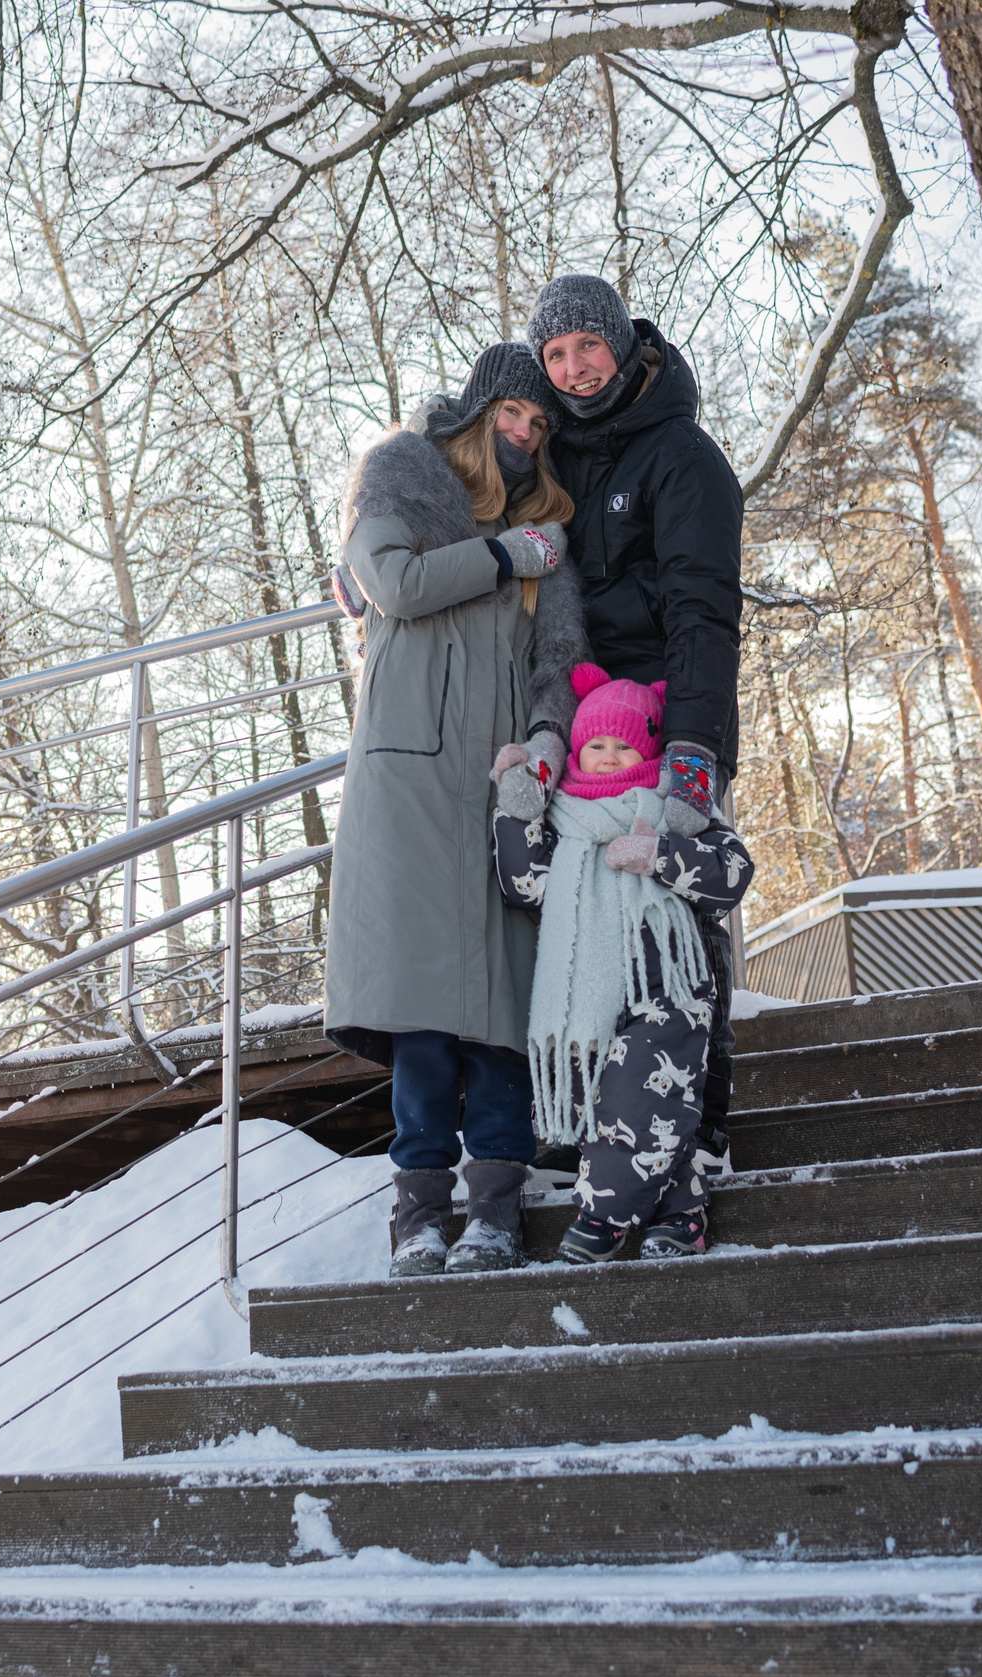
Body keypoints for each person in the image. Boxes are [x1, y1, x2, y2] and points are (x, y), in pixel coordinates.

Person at [324, 342, 591, 1277]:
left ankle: (493, 1208)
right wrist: (499, 554)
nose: (524, 435)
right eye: (511, 415)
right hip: (406, 787)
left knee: (500, 1008)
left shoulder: (546, 534)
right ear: (477, 415)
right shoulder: (398, 477)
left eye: (538, 424)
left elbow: (558, 664)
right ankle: (419, 1211)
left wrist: (550, 742)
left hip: (500, 790)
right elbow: (392, 585)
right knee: (425, 1013)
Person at [517, 273, 747, 1176]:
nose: (574, 370)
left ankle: (701, 1128)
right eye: (556, 356)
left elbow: (703, 608)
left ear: (621, 343)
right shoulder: (553, 454)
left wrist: (693, 752)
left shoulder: (682, 456)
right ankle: (600, 1122)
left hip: (669, 717)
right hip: (584, 726)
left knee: (679, 906)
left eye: (588, 347)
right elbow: (457, 468)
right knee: (582, 903)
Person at [492, 666, 755, 1261]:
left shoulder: (678, 808)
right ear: (579, 750)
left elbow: (734, 875)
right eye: (597, 744)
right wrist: (514, 806)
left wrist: (660, 855)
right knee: (630, 1103)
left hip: (670, 990)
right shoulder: (562, 821)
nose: (609, 757)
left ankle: (603, 1214)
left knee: (640, 1098)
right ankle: (682, 1214)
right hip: (590, 996)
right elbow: (524, 884)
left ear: (650, 747)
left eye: (624, 744)